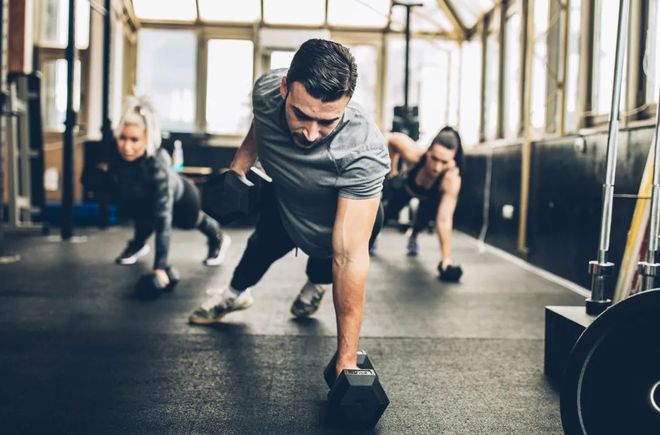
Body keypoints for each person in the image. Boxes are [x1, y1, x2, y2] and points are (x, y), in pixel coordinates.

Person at [188, 39, 390, 379]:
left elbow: (350, 258)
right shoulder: (267, 89)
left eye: (326, 122)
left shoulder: (363, 151)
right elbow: (262, 123)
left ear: (347, 104)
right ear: (284, 89)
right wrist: (239, 167)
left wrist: (347, 360)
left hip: (336, 215)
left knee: (332, 257)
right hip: (286, 200)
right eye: (301, 115)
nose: (311, 133)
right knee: (260, 246)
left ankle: (315, 286)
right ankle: (234, 295)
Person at [100, 96, 231, 287]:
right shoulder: (117, 155)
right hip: (146, 197)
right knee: (139, 204)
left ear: (147, 138)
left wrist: (160, 267)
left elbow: (163, 219)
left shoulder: (158, 166)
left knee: (190, 220)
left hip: (184, 198)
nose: (127, 146)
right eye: (123, 138)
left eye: (135, 140)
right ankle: (139, 244)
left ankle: (217, 236)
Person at [375, 127, 463, 278]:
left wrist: (446, 259)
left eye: (444, 162)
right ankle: (373, 237)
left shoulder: (451, 179)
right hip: (407, 188)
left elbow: (444, 220)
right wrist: (392, 173)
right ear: (428, 151)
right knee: (386, 213)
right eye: (434, 158)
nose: (437, 167)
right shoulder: (414, 154)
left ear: (453, 160)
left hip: (429, 199)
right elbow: (393, 140)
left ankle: (413, 237)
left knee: (422, 222)